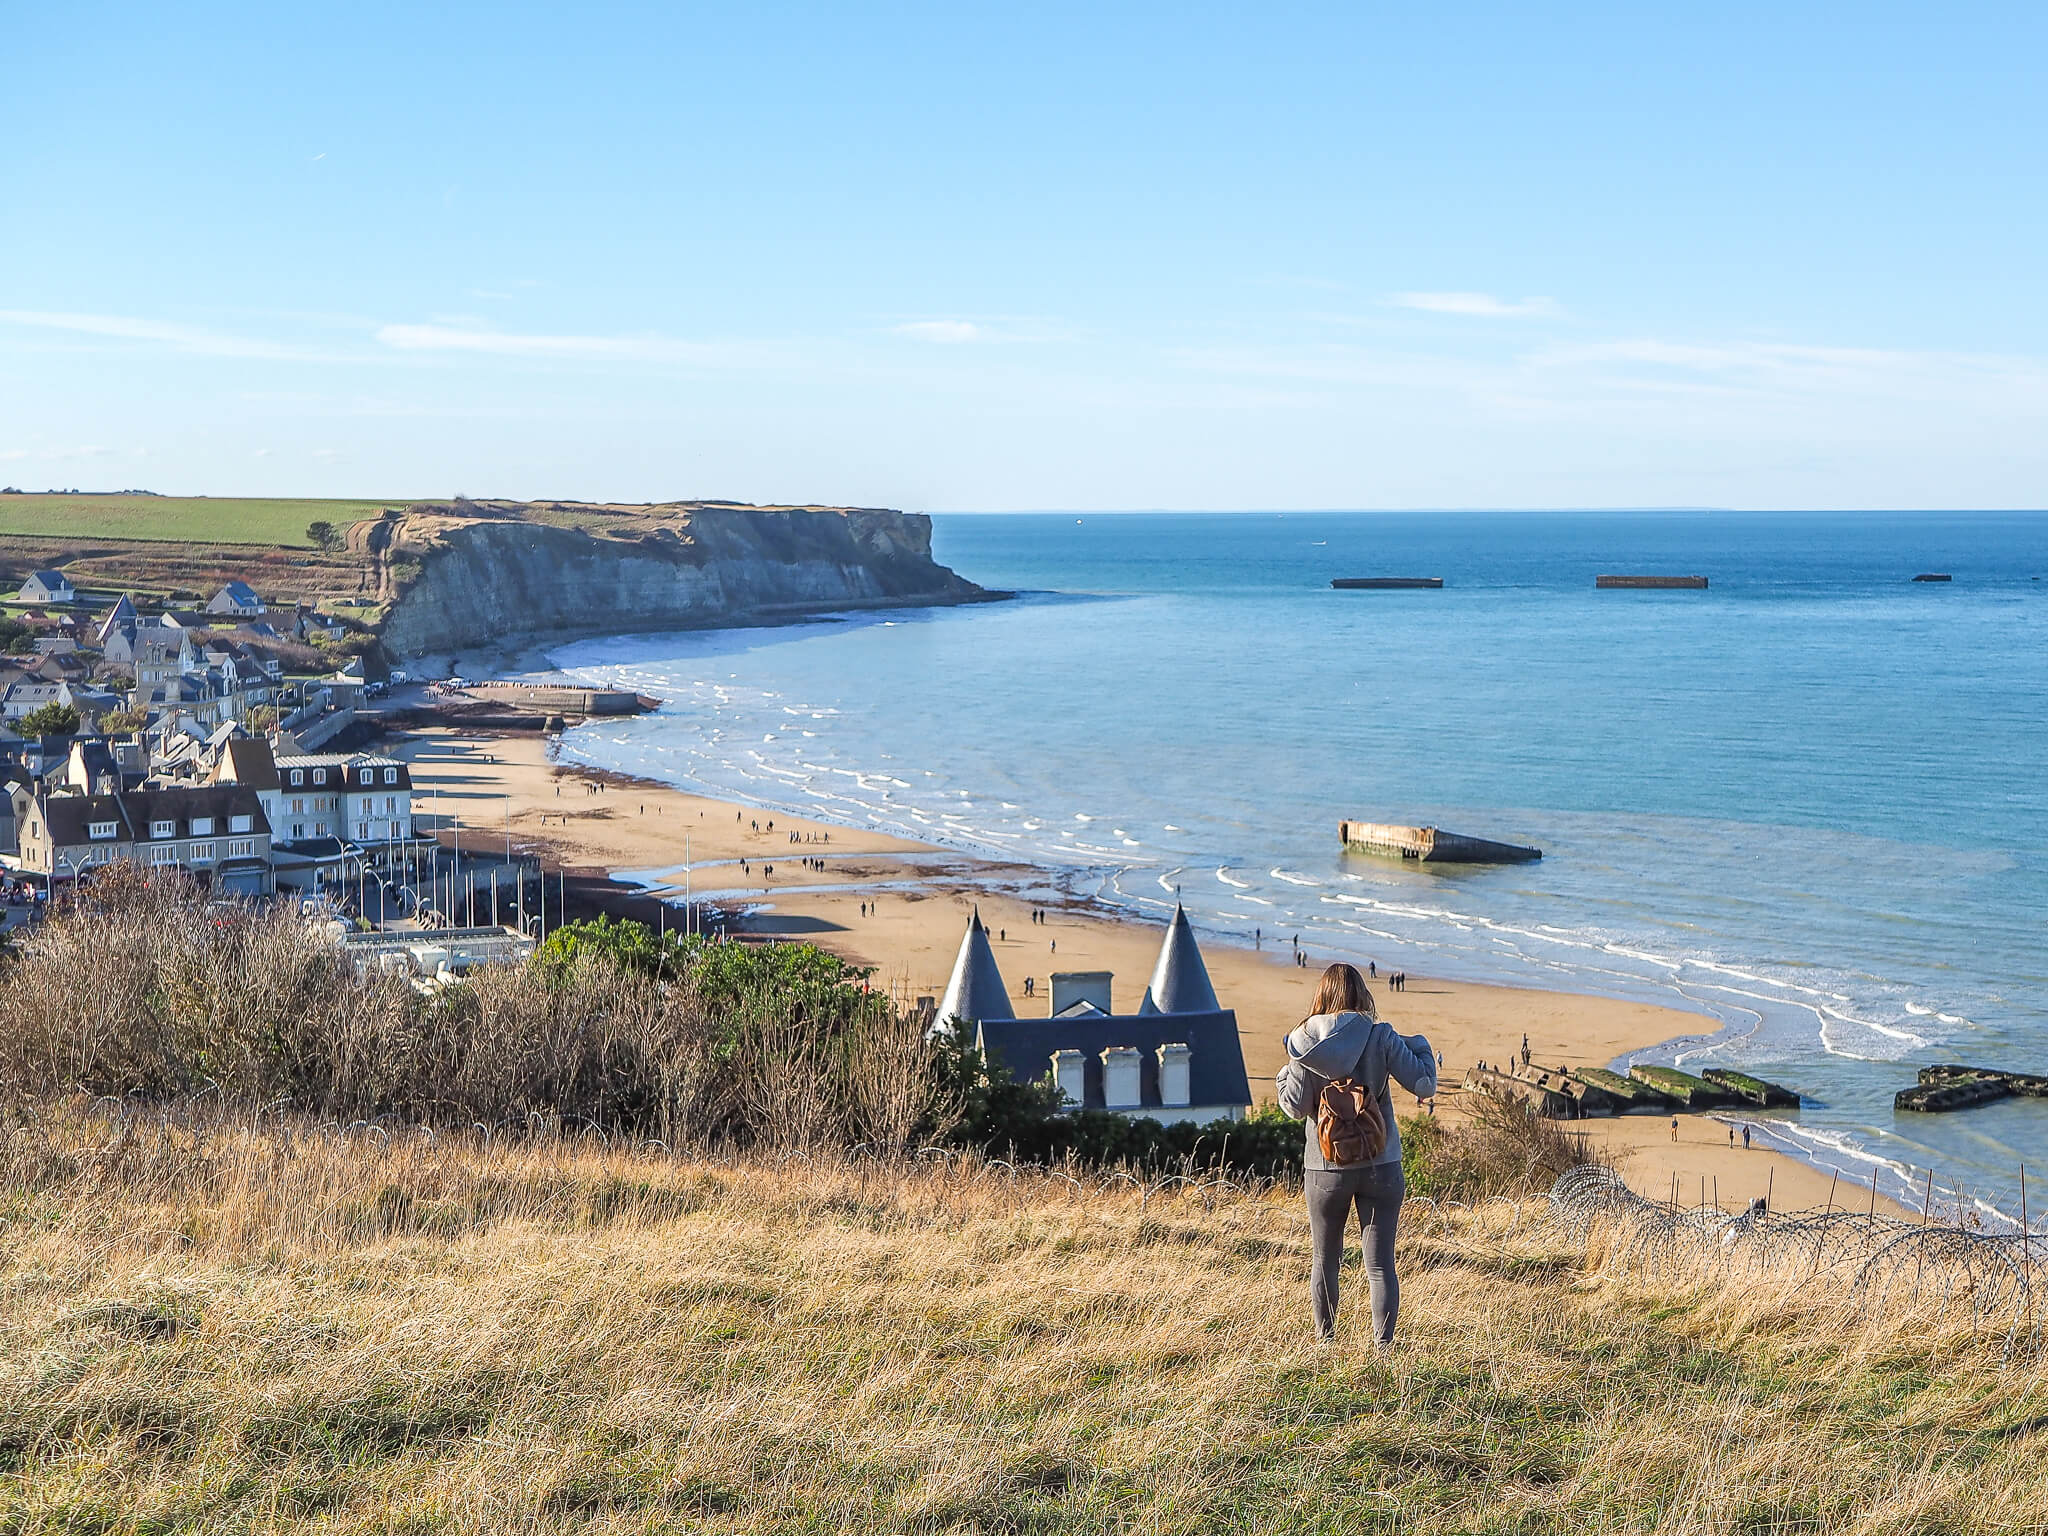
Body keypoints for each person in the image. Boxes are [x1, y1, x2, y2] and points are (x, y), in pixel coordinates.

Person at [1276, 962, 1436, 1346]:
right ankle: (1383, 1349)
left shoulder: (1303, 1044)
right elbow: (1425, 1084)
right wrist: (1421, 1045)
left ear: (1321, 996)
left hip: (1325, 1167)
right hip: (1381, 1162)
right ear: (1362, 994)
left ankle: (1326, 1345)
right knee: (1380, 1265)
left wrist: (1286, 1075)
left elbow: (1294, 1108)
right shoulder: (1380, 1036)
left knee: (1325, 1259)